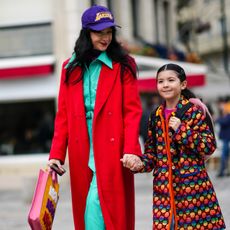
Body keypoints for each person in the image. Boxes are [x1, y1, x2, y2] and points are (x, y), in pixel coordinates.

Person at [47, 4, 142, 230]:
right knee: (88, 207)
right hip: (81, 147)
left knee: (100, 209)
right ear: (86, 32)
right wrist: (57, 154)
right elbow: (63, 115)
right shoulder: (70, 67)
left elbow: (132, 111)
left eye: (109, 32)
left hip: (112, 147)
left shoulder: (124, 65)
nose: (106, 37)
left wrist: (130, 148)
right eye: (100, 32)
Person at [121, 63, 226, 229]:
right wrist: (139, 162)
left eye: (171, 80)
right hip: (164, 191)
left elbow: (208, 146)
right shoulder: (155, 116)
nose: (165, 85)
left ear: (183, 84)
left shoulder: (194, 111)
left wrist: (181, 129)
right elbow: (152, 154)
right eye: (161, 81)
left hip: (193, 190)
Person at [216, 99, 230, 177]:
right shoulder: (224, 115)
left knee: (224, 155)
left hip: (227, 138)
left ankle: (222, 171)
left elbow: (223, 122)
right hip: (225, 138)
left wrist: (218, 119)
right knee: (225, 155)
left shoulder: (227, 115)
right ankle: (223, 171)